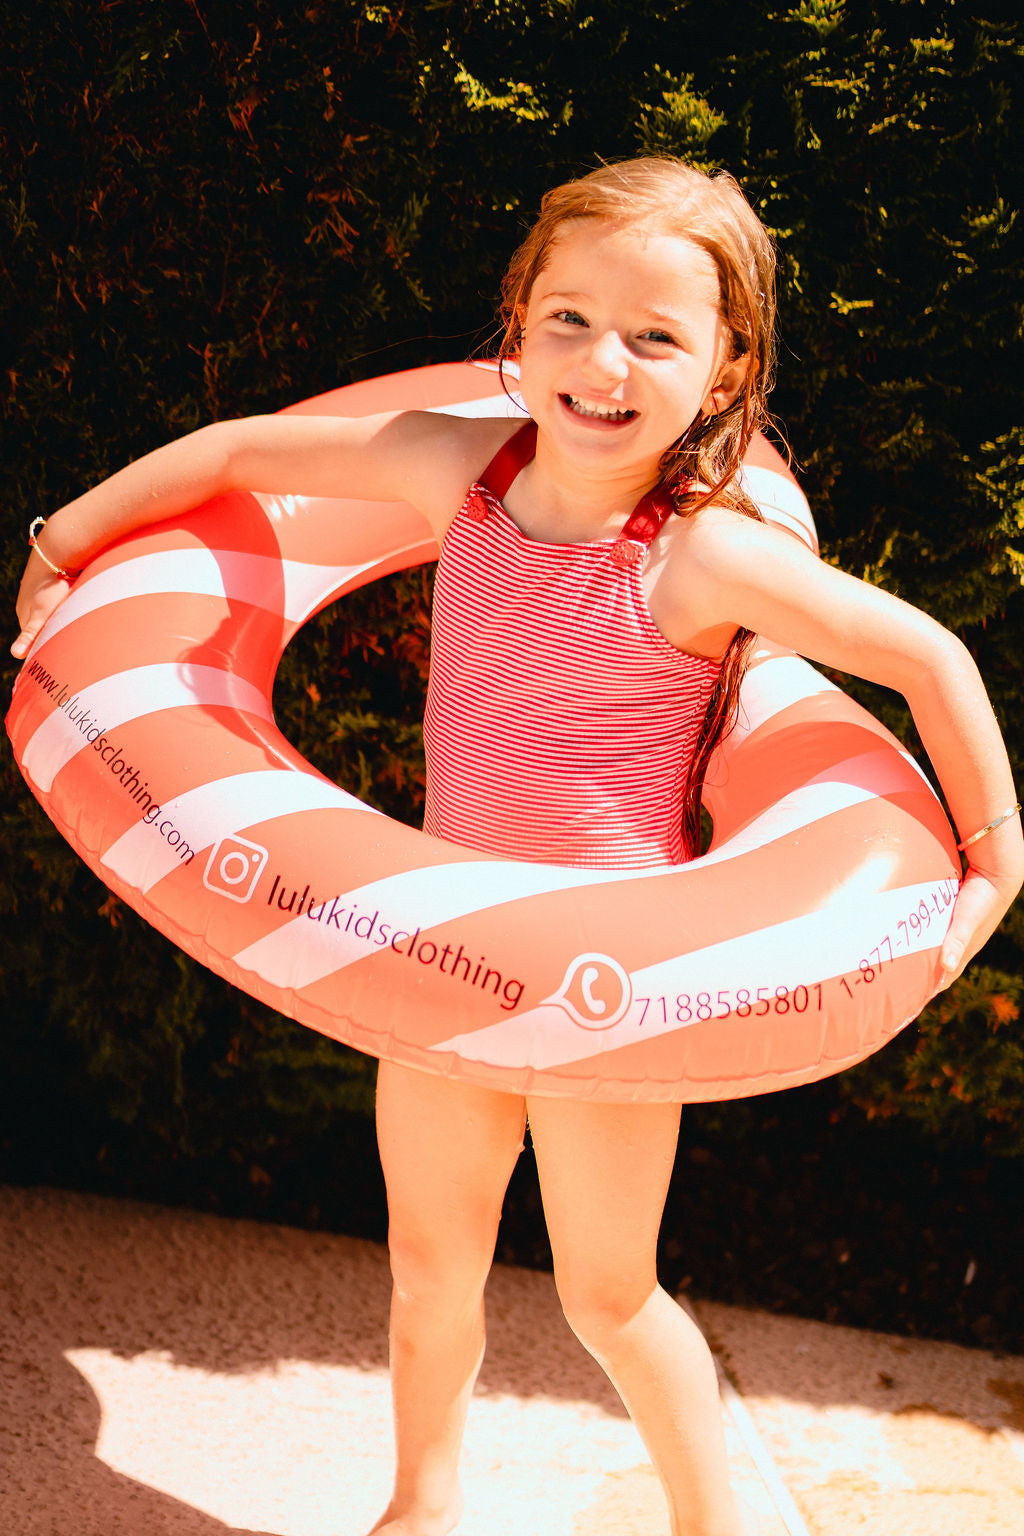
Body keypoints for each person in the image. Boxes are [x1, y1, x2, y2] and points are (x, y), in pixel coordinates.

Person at [13, 157, 1023, 1536]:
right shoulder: (457, 470)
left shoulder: (703, 558)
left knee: (609, 1293)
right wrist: (63, 539)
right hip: (437, 963)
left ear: (726, 372)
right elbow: (246, 452)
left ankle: (708, 1527)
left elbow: (928, 655)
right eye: (570, 318)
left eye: (657, 337)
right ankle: (420, 1508)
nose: (604, 362)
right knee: (430, 1269)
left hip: (614, 994)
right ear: (521, 322)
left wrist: (995, 853)